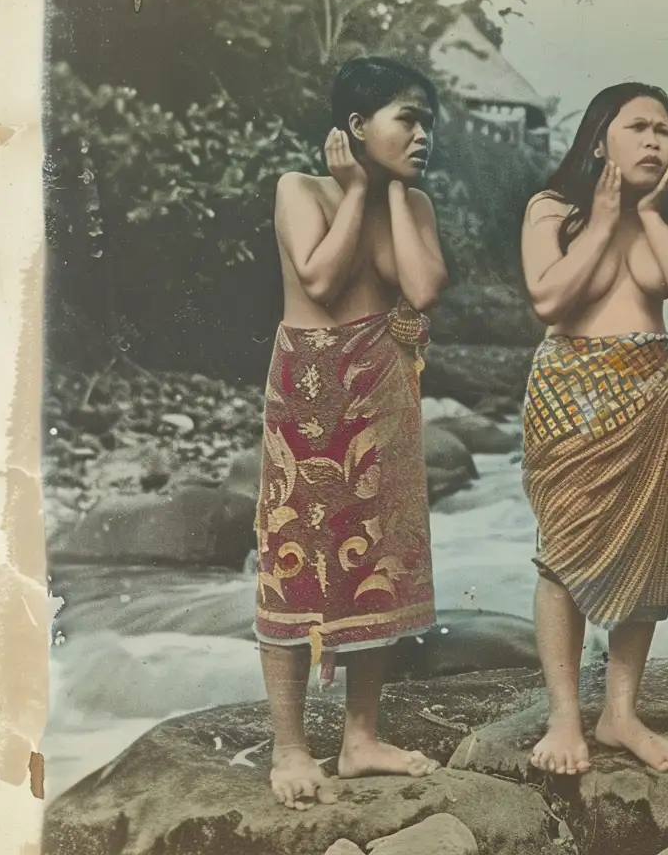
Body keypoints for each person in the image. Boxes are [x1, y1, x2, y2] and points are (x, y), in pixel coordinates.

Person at [255, 57, 448, 808]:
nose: (423, 133)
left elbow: (423, 287)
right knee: (292, 552)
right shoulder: (299, 190)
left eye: (428, 121)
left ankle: (361, 738)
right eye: (408, 118)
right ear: (358, 126)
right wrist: (362, 187)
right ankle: (290, 746)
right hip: (308, 384)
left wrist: (393, 189)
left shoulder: (415, 203)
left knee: (382, 558)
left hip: (382, 385)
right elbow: (323, 279)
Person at [518, 83, 668, 776]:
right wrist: (605, 220)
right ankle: (564, 716)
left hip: (648, 398)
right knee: (562, 551)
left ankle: (621, 713)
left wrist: (650, 215)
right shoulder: (552, 209)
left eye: (665, 130)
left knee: (646, 553)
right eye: (638, 126)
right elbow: (548, 295)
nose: (655, 140)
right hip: (568, 397)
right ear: (599, 136)